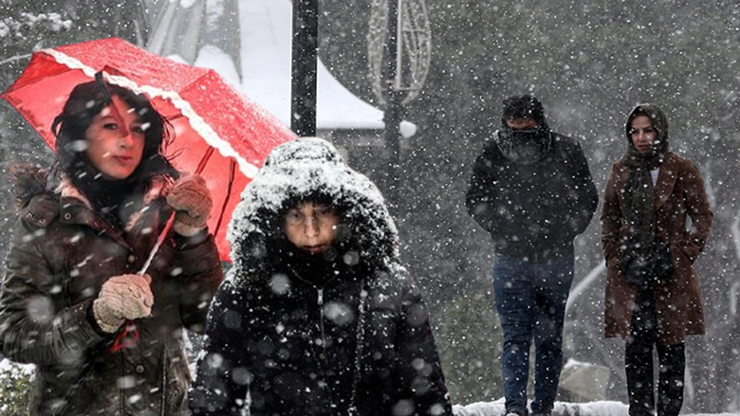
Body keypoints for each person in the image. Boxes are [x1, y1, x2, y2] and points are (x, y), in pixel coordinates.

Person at [0, 77, 224, 415]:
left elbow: (205, 318)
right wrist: (96, 316)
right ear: (79, 135)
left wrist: (193, 234)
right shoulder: (46, 222)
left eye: (137, 129)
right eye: (110, 126)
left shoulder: (167, 215)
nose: (127, 140)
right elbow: (15, 335)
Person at [189, 137, 453, 416]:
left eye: (322, 212)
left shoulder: (388, 285)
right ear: (274, 219)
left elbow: (425, 393)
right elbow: (214, 400)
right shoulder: (245, 292)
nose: (311, 229)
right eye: (295, 215)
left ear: (344, 210)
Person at [465, 95, 598, 416]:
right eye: (516, 126)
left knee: (525, 339)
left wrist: (562, 230)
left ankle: (526, 407)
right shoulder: (504, 151)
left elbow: (586, 198)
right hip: (524, 257)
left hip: (537, 257)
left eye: (526, 125)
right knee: (532, 339)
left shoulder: (560, 151)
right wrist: (506, 227)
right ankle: (527, 407)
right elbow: (475, 198)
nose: (520, 133)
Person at [601, 103, 712, 416]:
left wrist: (685, 253)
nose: (641, 137)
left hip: (670, 272)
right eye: (635, 131)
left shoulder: (680, 168)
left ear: (659, 131)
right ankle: (640, 411)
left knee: (671, 348)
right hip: (631, 272)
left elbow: (702, 215)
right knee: (636, 347)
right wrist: (613, 255)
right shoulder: (621, 170)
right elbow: (608, 215)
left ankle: (668, 412)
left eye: (647, 130)